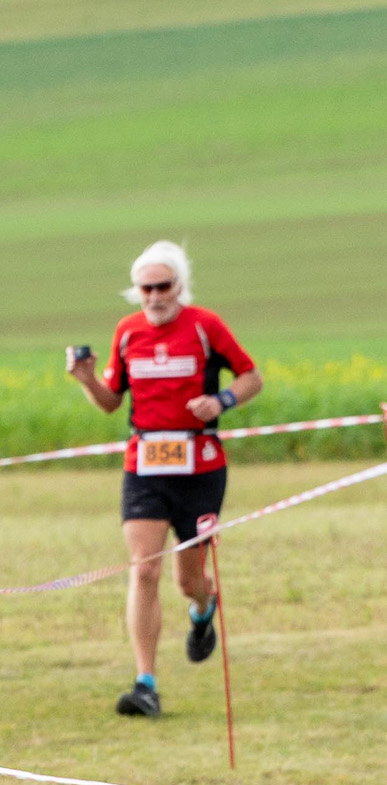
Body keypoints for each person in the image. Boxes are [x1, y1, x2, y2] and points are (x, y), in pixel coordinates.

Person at [66, 241, 262, 718]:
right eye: (146, 288)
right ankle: (145, 683)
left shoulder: (205, 325)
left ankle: (203, 608)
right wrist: (87, 379)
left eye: (163, 286)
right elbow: (112, 401)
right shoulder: (127, 331)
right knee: (144, 569)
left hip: (201, 469)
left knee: (187, 579)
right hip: (145, 467)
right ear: (136, 291)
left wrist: (221, 402)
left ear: (179, 286)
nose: (154, 296)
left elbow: (251, 377)